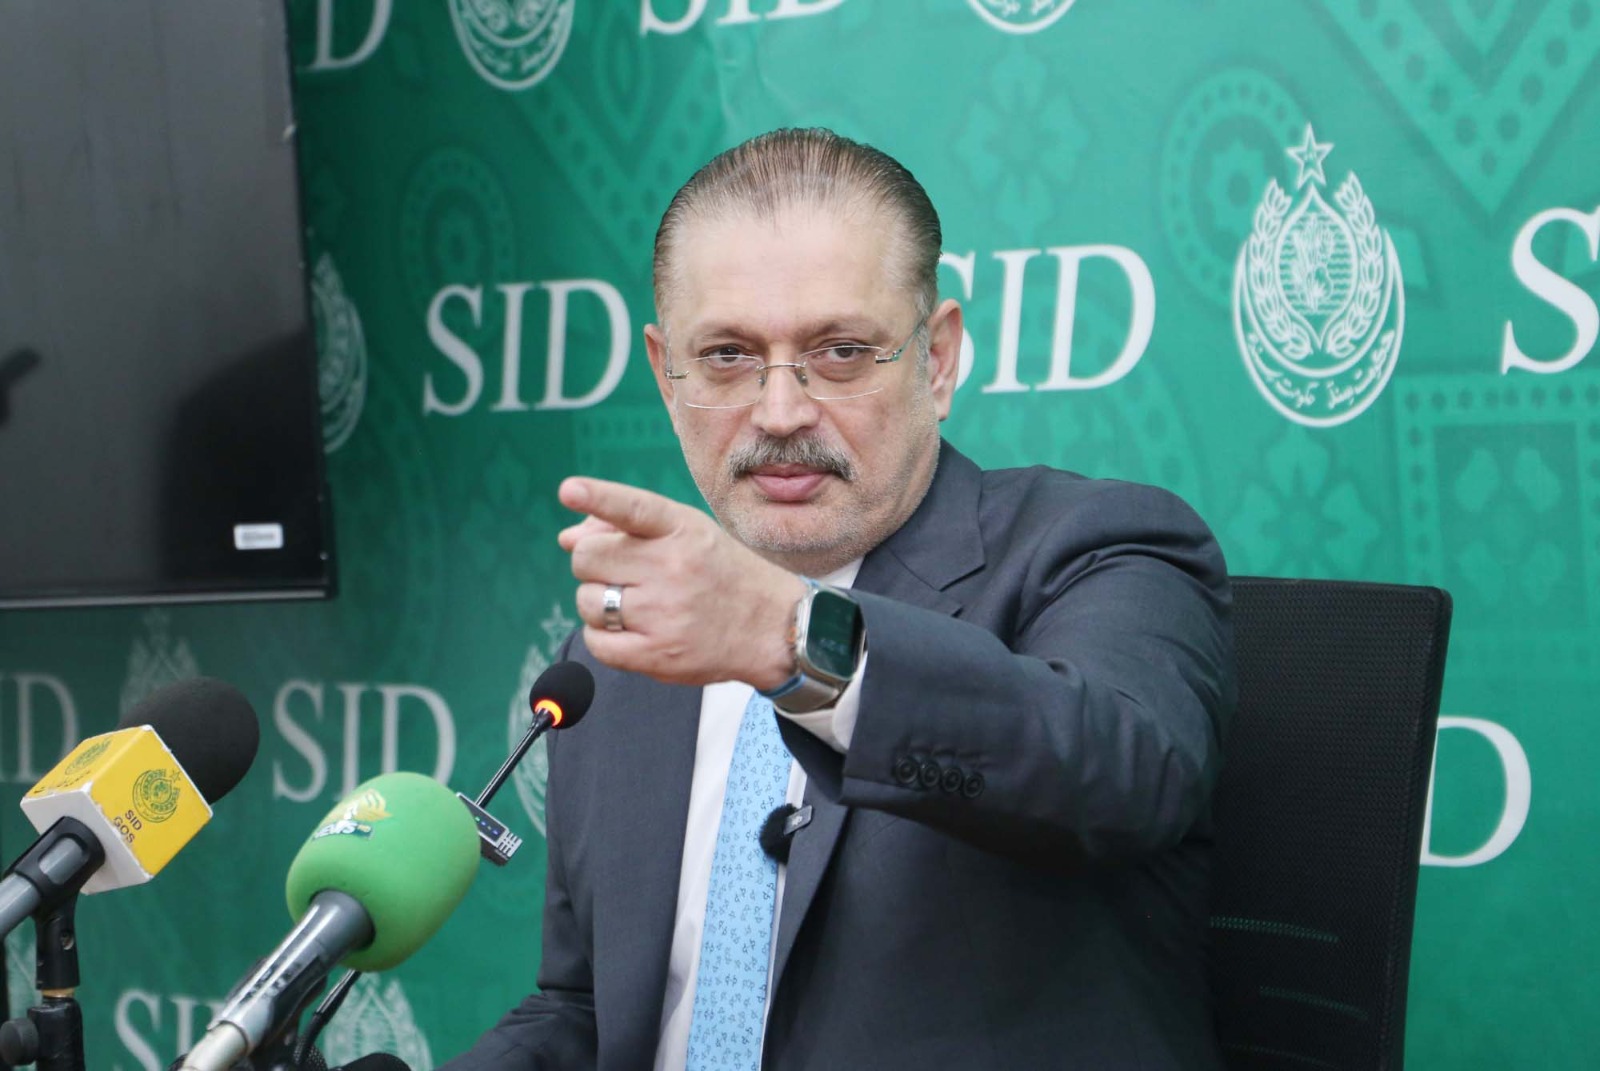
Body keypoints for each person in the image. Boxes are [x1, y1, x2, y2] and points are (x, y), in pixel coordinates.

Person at [443, 128, 1233, 1070]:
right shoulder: (625, 651)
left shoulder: (1099, 547)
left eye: (843, 351)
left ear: (937, 359)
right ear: (665, 374)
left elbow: (1122, 772)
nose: (780, 411)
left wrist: (790, 639)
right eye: (727, 355)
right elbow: (585, 1007)